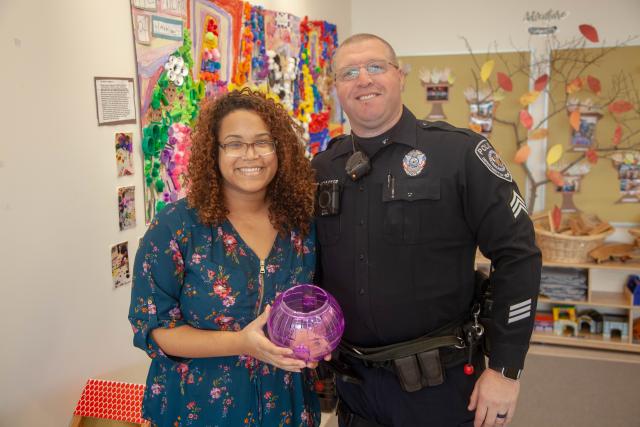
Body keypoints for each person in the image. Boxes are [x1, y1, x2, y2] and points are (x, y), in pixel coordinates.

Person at [312, 34, 542, 427]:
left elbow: (518, 255)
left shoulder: (460, 154)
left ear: (401, 75)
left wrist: (505, 369)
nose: (363, 79)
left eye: (375, 67)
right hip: (356, 389)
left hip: (443, 387)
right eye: (348, 72)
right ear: (335, 88)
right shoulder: (322, 169)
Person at [129, 88, 321, 427]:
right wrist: (241, 343)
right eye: (234, 144)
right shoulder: (177, 227)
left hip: (285, 407)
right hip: (199, 409)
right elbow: (155, 328)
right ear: (212, 153)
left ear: (280, 150)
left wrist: (315, 342)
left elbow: (308, 311)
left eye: (263, 142)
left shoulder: (299, 226)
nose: (251, 155)